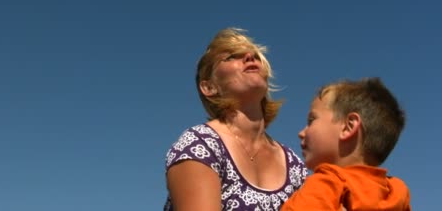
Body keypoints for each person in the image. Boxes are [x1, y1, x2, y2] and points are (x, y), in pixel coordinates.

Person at [164, 27, 307, 211]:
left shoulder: (294, 165)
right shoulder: (199, 145)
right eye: (231, 56)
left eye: (255, 55)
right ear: (209, 87)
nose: (249, 56)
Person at [281, 77, 411, 210]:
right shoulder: (398, 194)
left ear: (348, 127)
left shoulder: (327, 183)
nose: (301, 133)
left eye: (311, 120)